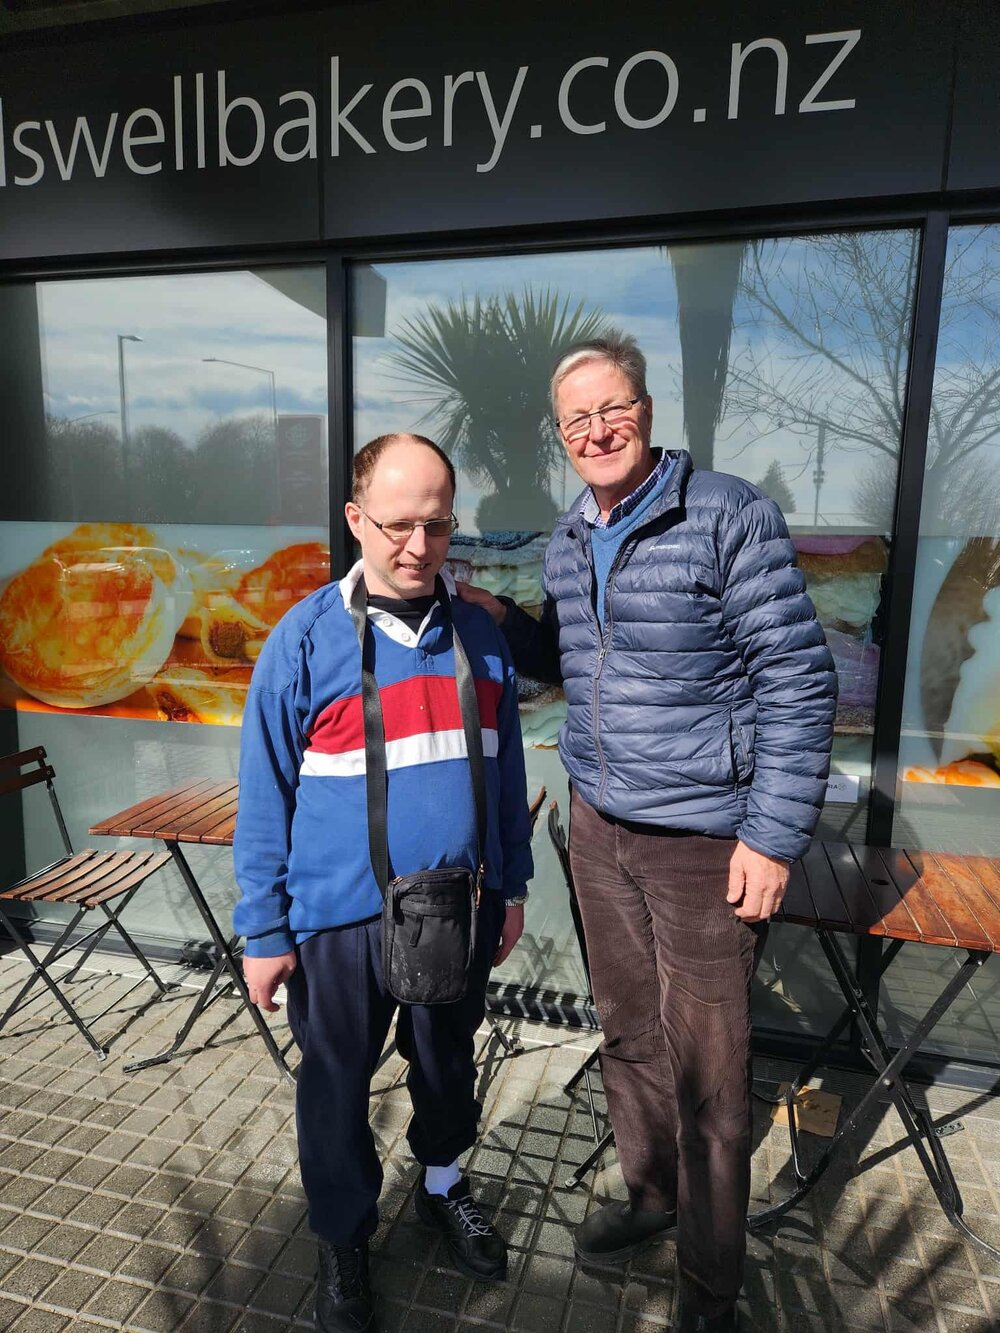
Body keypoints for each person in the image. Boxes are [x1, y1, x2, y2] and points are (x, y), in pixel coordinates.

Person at [458, 332, 837, 1333]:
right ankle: (651, 1193)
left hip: (702, 841)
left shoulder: (726, 514)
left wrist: (771, 836)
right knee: (628, 1032)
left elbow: (798, 679)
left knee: (709, 1070)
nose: (595, 430)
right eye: (575, 418)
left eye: (610, 408)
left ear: (646, 411)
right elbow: (573, 658)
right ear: (561, 434)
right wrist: (500, 616)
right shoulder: (569, 535)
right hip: (598, 826)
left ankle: (709, 1293)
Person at [233, 433, 533, 1333]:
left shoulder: (480, 635)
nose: (418, 545)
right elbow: (265, 792)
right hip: (336, 920)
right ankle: (343, 1236)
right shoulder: (303, 638)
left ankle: (442, 1182)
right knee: (335, 1085)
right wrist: (263, 930)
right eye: (398, 523)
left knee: (446, 1064)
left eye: (436, 525)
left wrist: (512, 885)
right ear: (356, 519)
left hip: (456, 905)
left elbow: (505, 771)